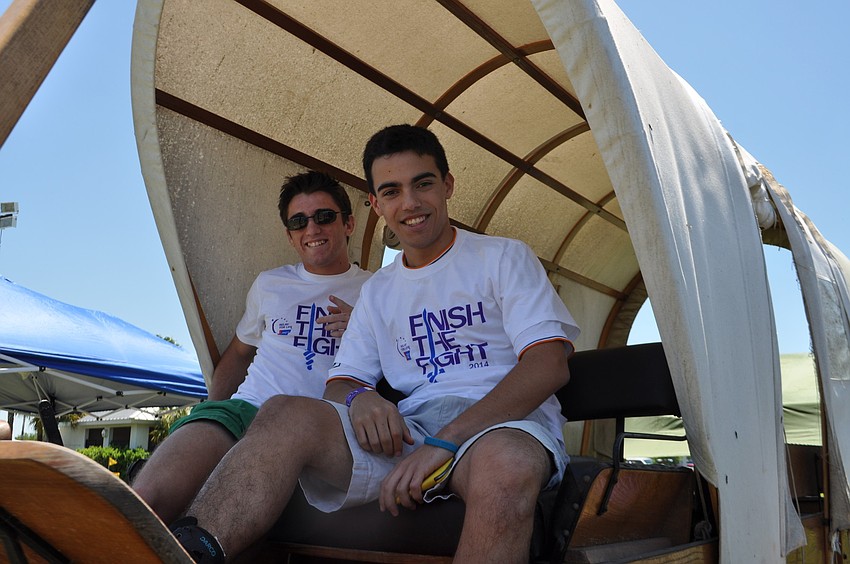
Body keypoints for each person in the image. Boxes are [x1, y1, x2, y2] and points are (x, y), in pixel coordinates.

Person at [173, 125, 580, 563]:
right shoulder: (378, 290)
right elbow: (342, 382)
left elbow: (547, 363)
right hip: (413, 430)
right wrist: (362, 399)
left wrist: (444, 444)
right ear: (376, 204)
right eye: (391, 191)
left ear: (447, 185)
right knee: (283, 411)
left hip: (503, 426)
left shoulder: (503, 257)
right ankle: (193, 552)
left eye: (423, 183)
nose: (410, 202)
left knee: (506, 465)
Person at [131, 171, 371, 524]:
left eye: (324, 216)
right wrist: (212, 410)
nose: (312, 229)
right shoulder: (270, 284)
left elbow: (407, 369)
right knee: (147, 499)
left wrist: (364, 330)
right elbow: (239, 353)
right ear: (290, 236)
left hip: (322, 424)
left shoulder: (377, 290)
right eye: (299, 222)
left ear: (348, 223)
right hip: (248, 407)